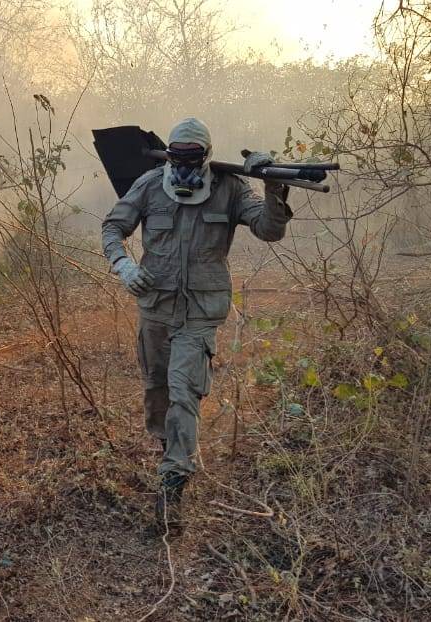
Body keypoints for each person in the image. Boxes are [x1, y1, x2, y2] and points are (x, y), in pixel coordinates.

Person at [101, 117, 292, 533]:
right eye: (177, 156)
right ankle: (168, 447)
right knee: (158, 393)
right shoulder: (151, 185)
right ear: (169, 154)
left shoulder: (230, 188)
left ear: (206, 155)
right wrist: (124, 265)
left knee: (183, 393)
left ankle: (172, 488)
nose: (184, 165)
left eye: (192, 157)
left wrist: (274, 185)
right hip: (155, 308)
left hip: (200, 314)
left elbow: (270, 230)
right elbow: (113, 227)